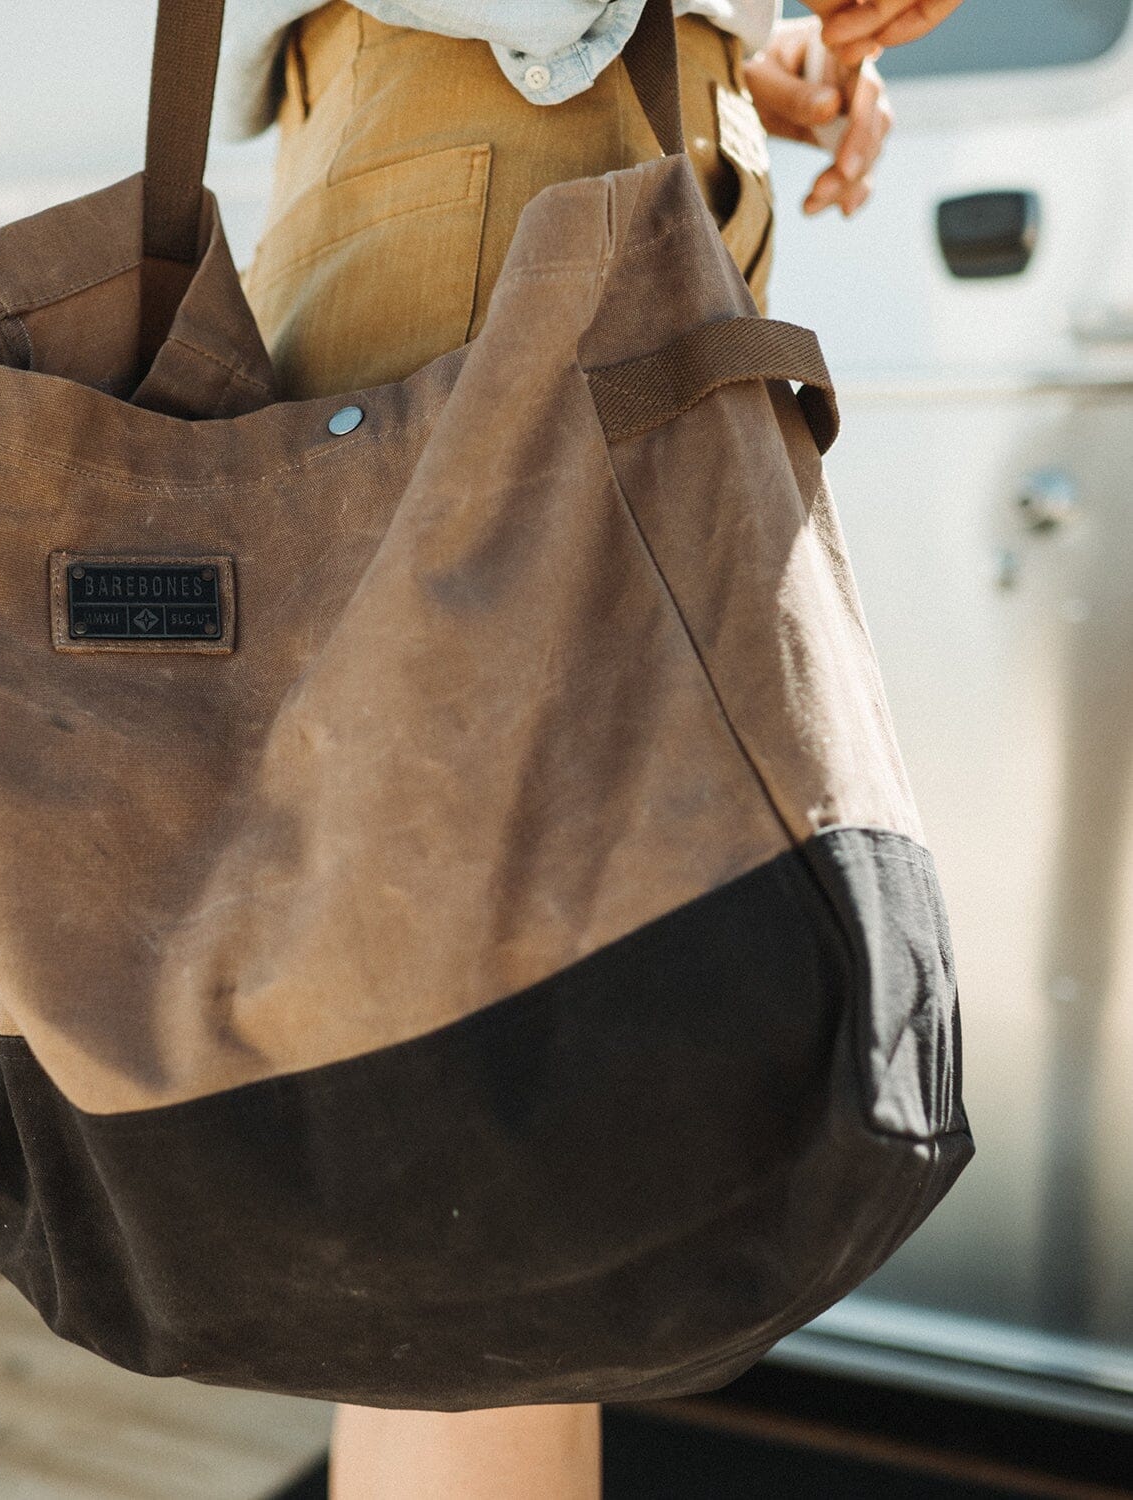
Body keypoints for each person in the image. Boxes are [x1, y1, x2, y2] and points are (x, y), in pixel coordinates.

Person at [212, 2, 968, 1494]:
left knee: (543, 1157)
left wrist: (735, 45)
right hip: (498, 113)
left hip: (591, 111)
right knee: (478, 1170)